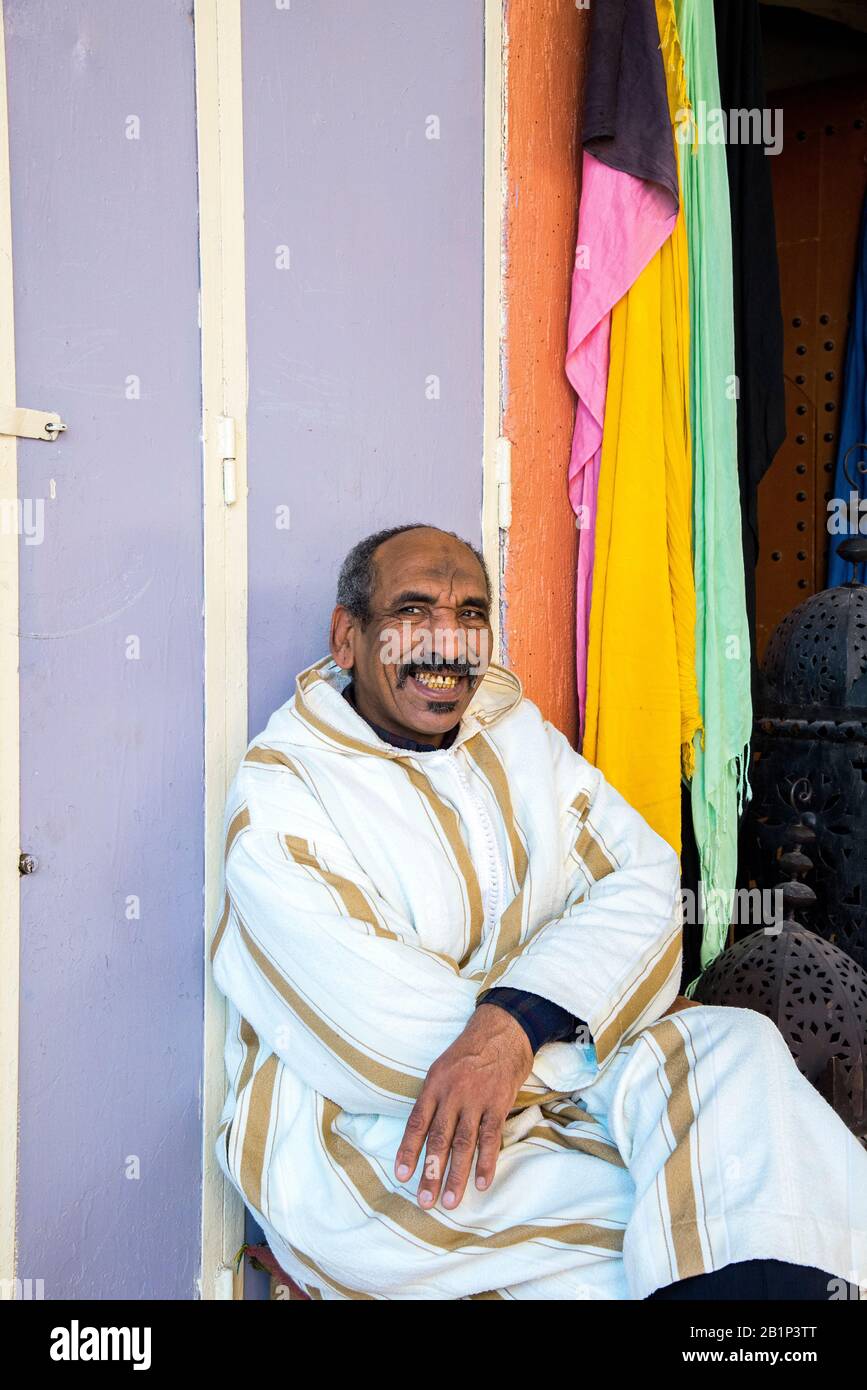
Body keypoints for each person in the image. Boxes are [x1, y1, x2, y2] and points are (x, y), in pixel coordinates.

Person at [211, 523, 867, 1300]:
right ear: (347, 638)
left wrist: (521, 1022)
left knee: (734, 1047)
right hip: (390, 1132)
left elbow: (646, 879)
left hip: (553, 1068)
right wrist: (570, 1027)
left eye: (471, 614)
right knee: (700, 1213)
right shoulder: (286, 794)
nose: (446, 645)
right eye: (413, 612)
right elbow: (380, 1040)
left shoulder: (510, 731)